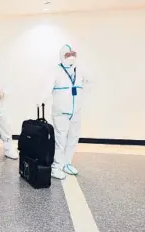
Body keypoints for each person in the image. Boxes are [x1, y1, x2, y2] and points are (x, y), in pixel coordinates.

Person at [48, 44, 90, 179]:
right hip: (61, 112)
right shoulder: (55, 71)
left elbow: (89, 82)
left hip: (75, 111)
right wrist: (40, 100)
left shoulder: (79, 70)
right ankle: (56, 167)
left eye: (73, 54)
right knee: (60, 140)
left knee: (73, 138)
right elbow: (45, 89)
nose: (71, 57)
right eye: (68, 55)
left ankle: (67, 163)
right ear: (62, 56)